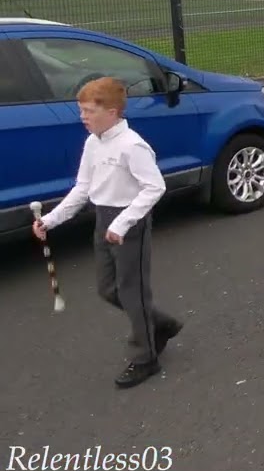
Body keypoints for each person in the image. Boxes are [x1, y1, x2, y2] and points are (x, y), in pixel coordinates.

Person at [32, 77, 183, 389]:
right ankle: (161, 323)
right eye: (81, 110)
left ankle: (145, 357)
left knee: (132, 290)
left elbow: (155, 187)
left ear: (112, 112)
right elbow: (83, 188)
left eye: (89, 111)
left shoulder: (132, 146)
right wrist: (51, 220)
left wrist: (122, 223)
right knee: (107, 289)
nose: (83, 117)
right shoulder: (93, 142)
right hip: (103, 218)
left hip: (130, 223)